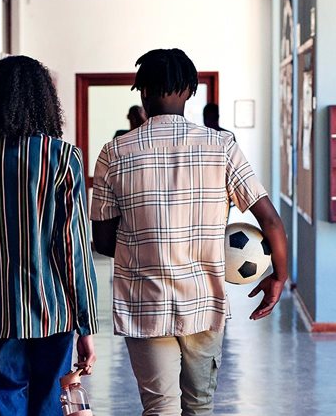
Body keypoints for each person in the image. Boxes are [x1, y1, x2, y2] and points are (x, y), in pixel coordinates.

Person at [90, 48, 288, 416]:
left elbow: (102, 241)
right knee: (199, 405)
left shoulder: (113, 153)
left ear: (142, 91)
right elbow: (271, 221)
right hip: (204, 302)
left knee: (159, 407)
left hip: (143, 303)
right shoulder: (222, 147)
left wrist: (148, 244)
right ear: (190, 91)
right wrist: (280, 276)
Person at [0, 56, 98, 416]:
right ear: (46, 102)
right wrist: (86, 324)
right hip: (54, 310)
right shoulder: (63, 158)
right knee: (49, 400)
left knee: (1, 397)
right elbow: (73, 247)